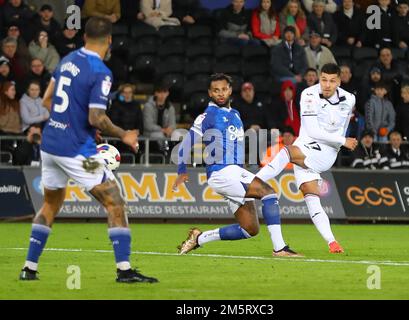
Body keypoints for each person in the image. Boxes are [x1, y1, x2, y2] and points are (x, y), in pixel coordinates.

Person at [19, 17, 157, 283]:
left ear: (84, 38)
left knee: (50, 203)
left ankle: (29, 268)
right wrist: (124, 134)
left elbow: (48, 100)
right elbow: (96, 118)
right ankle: (125, 270)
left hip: (50, 145)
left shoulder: (67, 60)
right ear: (109, 41)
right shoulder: (100, 71)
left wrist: (72, 121)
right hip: (77, 153)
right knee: (114, 201)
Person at [174, 73, 301, 257]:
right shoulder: (207, 116)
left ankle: (199, 238)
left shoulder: (235, 114)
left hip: (234, 172)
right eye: (216, 90)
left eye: (224, 89)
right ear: (210, 93)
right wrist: (181, 170)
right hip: (222, 172)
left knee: (250, 228)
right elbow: (186, 144)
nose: (220, 93)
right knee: (269, 193)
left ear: (230, 90)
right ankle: (280, 248)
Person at [256, 64, 358, 253]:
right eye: (324, 79)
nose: (327, 85)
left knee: (288, 151)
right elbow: (312, 131)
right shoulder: (308, 94)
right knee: (311, 197)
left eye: (332, 80)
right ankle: (332, 242)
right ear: (319, 78)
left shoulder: (349, 99)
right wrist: (343, 141)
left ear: (339, 81)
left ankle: (253, 182)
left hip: (326, 152)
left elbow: (342, 126)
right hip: (307, 143)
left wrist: (338, 143)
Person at [142, 83, 176, 150]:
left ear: (167, 93)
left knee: (180, 135)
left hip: (166, 133)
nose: (162, 95)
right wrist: (163, 130)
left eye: (164, 92)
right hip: (150, 133)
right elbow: (148, 125)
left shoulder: (170, 107)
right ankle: (163, 153)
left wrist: (170, 129)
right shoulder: (148, 106)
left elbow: (173, 124)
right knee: (159, 135)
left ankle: (176, 157)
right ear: (155, 93)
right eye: (160, 92)